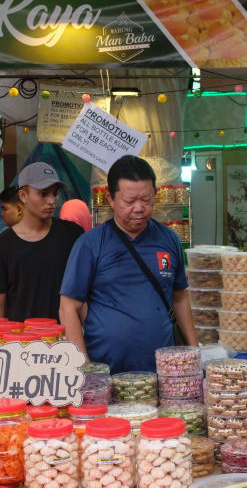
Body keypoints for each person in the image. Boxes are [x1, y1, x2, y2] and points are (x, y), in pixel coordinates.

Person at [59, 155, 198, 372]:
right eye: (129, 201)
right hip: (107, 370)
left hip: (164, 371)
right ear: (111, 199)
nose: (139, 208)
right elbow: (68, 307)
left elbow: (179, 297)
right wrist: (83, 366)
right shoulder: (90, 244)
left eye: (147, 199)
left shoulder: (169, 239)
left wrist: (193, 349)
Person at [0, 162, 83, 321]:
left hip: (65, 340)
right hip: (20, 342)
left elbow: (85, 294)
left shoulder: (72, 235)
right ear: (23, 196)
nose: (51, 201)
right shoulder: (2, 245)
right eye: (43, 194)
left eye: (54, 193)